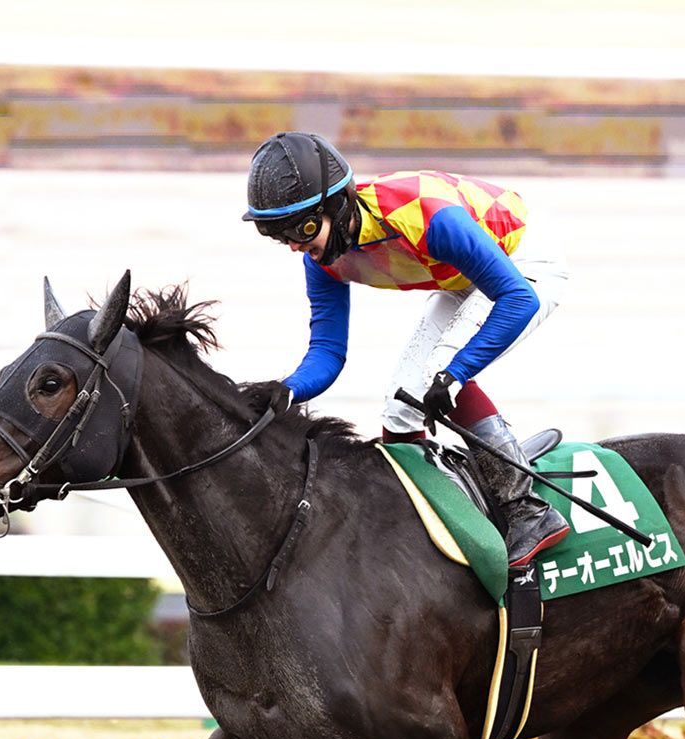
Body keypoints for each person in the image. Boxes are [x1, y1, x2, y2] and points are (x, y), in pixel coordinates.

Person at [244, 131, 571, 568]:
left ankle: (527, 510)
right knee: (400, 413)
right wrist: (288, 389)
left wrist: (455, 374)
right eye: (278, 235)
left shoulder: (425, 218)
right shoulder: (321, 262)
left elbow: (518, 299)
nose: (294, 247)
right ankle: (419, 523)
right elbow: (327, 352)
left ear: (336, 205)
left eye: (300, 229)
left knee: (437, 376)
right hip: (464, 276)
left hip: (520, 262)